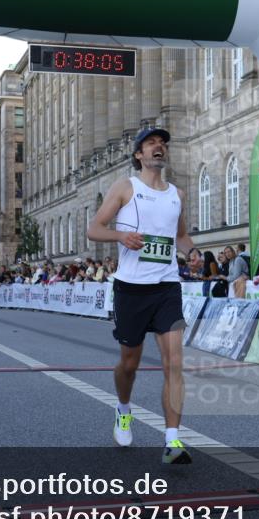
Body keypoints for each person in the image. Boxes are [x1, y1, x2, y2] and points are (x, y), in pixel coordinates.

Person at [87, 126, 196, 464]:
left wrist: (192, 252)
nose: (159, 148)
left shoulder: (177, 194)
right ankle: (123, 409)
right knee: (129, 364)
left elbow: (180, 236)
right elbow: (94, 229)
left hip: (166, 286)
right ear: (139, 154)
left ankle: (172, 441)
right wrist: (121, 237)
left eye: (163, 143)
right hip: (131, 289)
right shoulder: (125, 187)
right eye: (151, 144)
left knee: (174, 363)